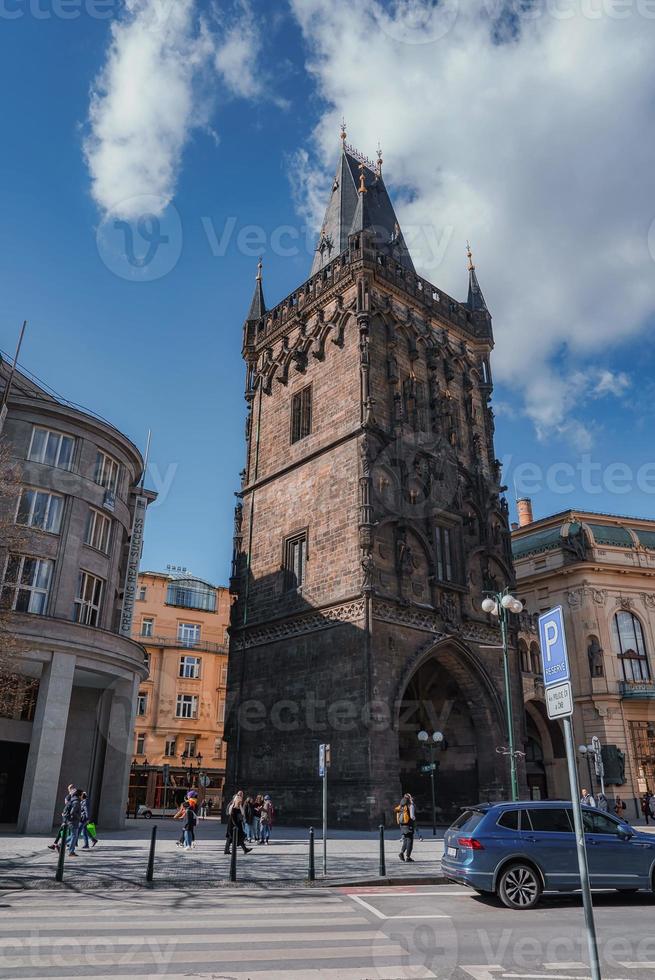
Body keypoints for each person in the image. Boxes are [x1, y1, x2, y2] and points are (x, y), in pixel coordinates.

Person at [48, 785, 75, 851]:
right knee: (64, 831)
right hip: (67, 816)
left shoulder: (70, 797)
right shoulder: (71, 797)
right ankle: (58, 844)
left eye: (70, 788)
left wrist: (65, 814)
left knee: (67, 832)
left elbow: (67, 806)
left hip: (67, 817)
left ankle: (60, 844)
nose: (69, 789)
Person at [224, 791, 252, 855]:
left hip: (238, 824)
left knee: (239, 837)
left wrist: (240, 806)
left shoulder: (239, 807)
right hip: (232, 824)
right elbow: (231, 816)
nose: (240, 802)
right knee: (230, 837)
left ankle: (245, 849)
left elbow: (242, 813)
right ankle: (226, 850)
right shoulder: (232, 806)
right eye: (239, 801)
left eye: (240, 801)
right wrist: (235, 825)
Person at [395, 793, 416, 862]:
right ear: (409, 798)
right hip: (409, 825)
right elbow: (412, 816)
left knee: (405, 840)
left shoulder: (401, 805)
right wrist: (414, 819)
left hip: (402, 825)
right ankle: (408, 857)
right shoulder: (410, 805)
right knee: (410, 840)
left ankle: (401, 853)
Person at [62, 786, 82, 857]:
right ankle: (71, 851)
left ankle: (60, 845)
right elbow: (72, 812)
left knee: (73, 835)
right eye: (82, 795)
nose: (83, 796)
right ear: (79, 795)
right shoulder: (76, 802)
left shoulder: (73, 800)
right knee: (74, 836)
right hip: (73, 821)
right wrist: (79, 817)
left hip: (71, 820)